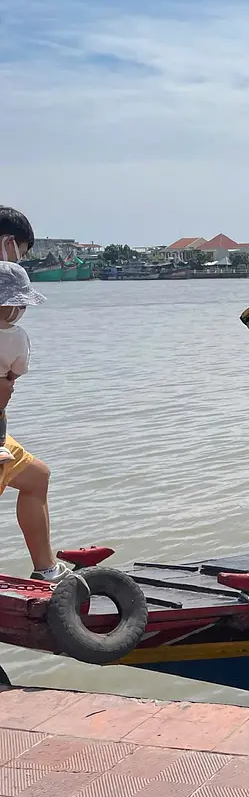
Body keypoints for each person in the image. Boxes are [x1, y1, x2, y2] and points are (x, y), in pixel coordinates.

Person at [0, 206, 68, 582]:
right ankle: (46, 570)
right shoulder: (15, 336)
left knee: (35, 476)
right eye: (21, 254)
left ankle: (46, 569)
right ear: (9, 244)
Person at [0, 262, 44, 464]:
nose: (23, 311)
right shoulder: (17, 336)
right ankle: (0, 445)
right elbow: (18, 369)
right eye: (22, 305)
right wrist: (9, 378)